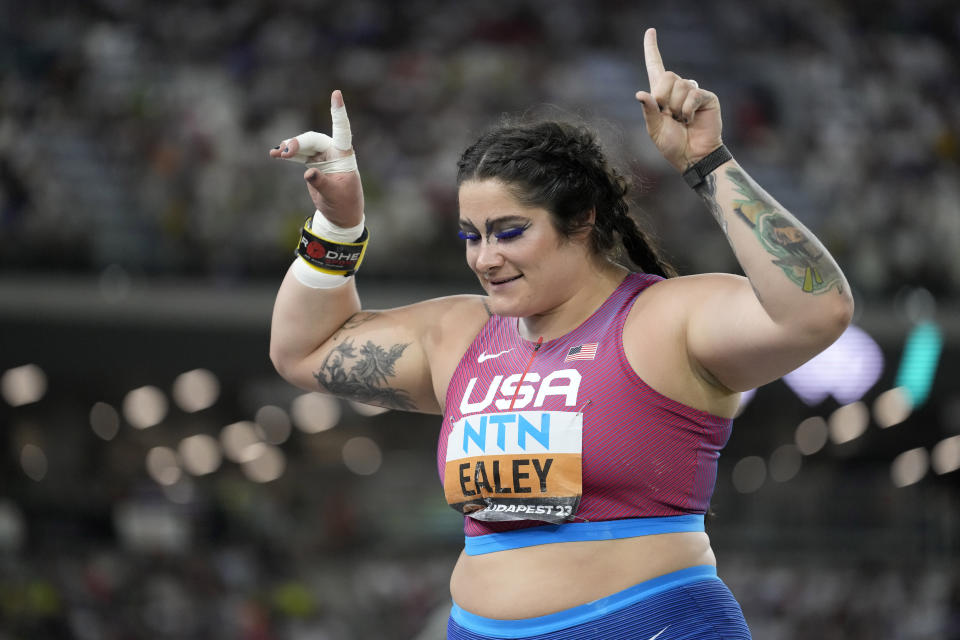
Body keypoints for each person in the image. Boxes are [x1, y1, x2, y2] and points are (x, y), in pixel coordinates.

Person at [268, 28, 853, 640]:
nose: (485, 258)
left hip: (651, 624)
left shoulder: (663, 318)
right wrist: (337, 227)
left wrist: (707, 164)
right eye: (471, 234)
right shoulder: (461, 334)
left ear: (581, 221)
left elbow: (817, 310)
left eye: (509, 231)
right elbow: (303, 350)